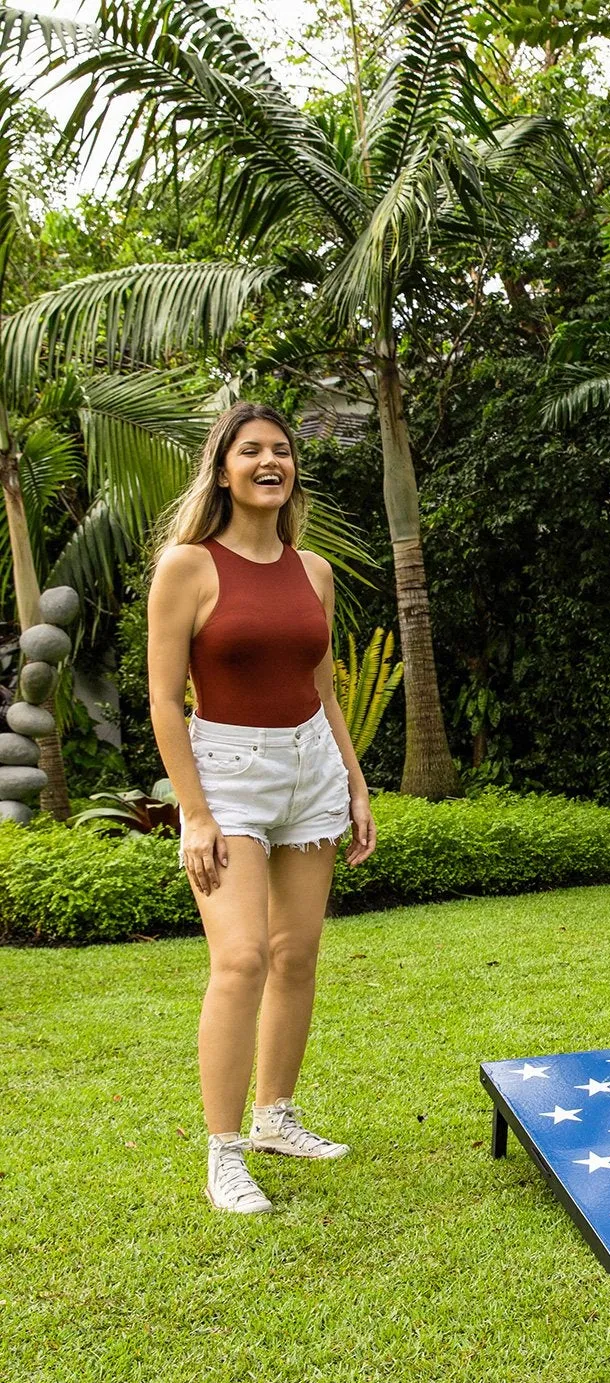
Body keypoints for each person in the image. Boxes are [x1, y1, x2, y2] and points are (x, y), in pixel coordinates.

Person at [148, 402, 376, 1214]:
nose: (269, 462)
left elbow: (323, 690)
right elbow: (165, 702)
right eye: (252, 452)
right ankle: (224, 1152)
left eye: (281, 451)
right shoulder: (188, 567)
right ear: (223, 470)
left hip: (309, 768)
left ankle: (277, 1117)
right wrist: (195, 813)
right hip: (226, 775)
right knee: (240, 958)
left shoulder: (313, 571)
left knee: (296, 955)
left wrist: (352, 780)